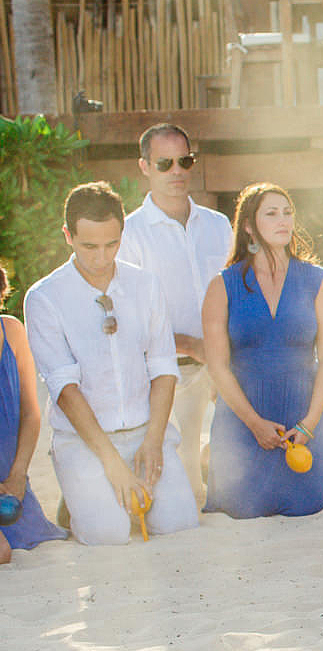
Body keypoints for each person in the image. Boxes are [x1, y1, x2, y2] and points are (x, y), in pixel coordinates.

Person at [23, 182, 199, 545]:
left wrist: (153, 441)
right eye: (89, 246)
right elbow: (65, 390)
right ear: (67, 235)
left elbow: (165, 368)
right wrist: (113, 465)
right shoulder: (43, 297)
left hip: (146, 430)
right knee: (109, 535)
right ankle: (79, 502)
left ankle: (110, 496)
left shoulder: (146, 284)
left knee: (179, 524)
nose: (101, 257)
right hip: (84, 441)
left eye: (111, 244)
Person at [201, 184, 323, 519]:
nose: (283, 220)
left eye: (288, 212)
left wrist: (309, 424)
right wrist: (254, 424)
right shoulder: (222, 285)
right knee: (241, 512)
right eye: (271, 213)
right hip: (242, 423)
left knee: (311, 511)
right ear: (248, 225)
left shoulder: (318, 280)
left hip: (305, 422)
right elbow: (217, 367)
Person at [117, 122, 235, 506]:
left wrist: (221, 354)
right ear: (144, 167)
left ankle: (209, 457)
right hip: (168, 373)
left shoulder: (219, 226)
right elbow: (126, 322)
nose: (177, 171)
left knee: (243, 469)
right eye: (164, 163)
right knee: (187, 496)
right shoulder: (130, 235)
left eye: (184, 160)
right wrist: (190, 344)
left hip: (226, 366)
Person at [1, 264, 68, 561]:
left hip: (10, 483)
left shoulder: (12, 332)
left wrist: (17, 476)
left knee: (19, 540)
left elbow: (31, 413)